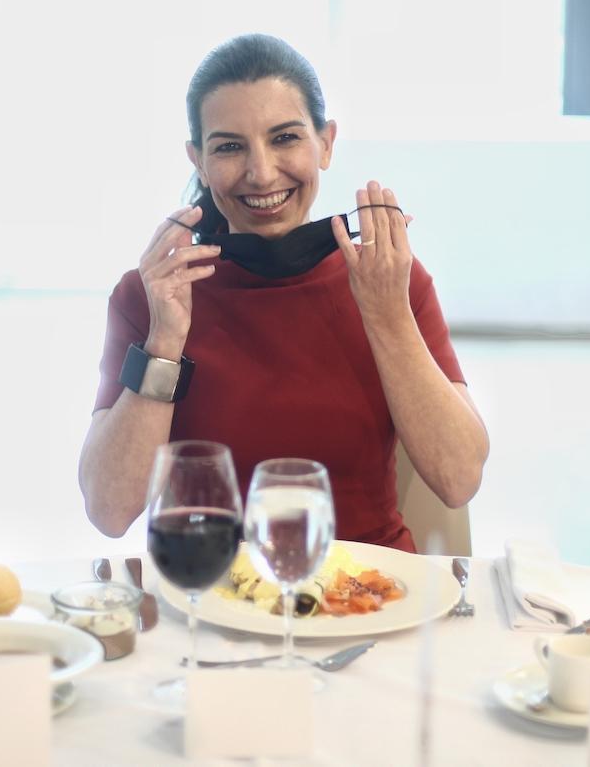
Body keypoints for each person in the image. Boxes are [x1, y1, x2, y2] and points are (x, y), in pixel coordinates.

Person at [78, 34, 488, 551]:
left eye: (285, 138)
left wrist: (387, 317)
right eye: (229, 146)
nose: (261, 172)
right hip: (207, 590)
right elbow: (109, 510)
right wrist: (165, 339)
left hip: (369, 595)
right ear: (198, 161)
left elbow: (459, 479)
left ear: (326, 143)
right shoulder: (151, 295)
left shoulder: (391, 280)